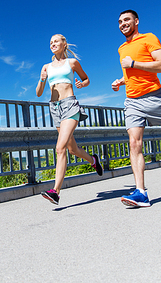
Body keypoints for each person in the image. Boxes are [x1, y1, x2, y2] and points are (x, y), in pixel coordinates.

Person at [112, 10, 161, 208]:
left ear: (136, 21)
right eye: (120, 21)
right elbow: (132, 74)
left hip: (155, 98)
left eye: (127, 20)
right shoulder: (122, 48)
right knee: (134, 143)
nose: (123, 24)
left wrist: (133, 63)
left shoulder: (149, 38)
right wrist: (121, 81)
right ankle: (141, 192)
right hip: (132, 101)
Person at [37, 34, 103, 205]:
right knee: (72, 149)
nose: (52, 44)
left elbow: (86, 79)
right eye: (50, 42)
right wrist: (41, 80)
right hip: (54, 108)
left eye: (56, 41)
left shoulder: (72, 63)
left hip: (70, 106)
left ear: (64, 44)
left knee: (60, 148)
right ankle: (93, 160)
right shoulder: (46, 67)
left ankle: (55, 191)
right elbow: (38, 92)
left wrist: (82, 84)